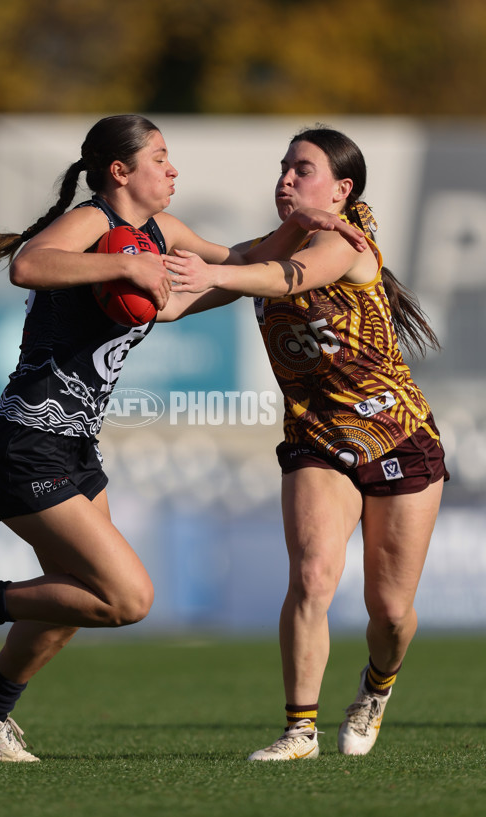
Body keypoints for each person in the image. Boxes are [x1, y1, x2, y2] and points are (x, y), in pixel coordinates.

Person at [0, 115, 364, 763]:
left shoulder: (165, 232)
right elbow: (28, 264)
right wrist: (121, 264)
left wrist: (303, 225)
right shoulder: (96, 221)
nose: (173, 169)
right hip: (23, 443)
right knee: (126, 597)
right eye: (159, 157)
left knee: (73, 598)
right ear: (120, 171)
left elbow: (238, 260)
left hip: (74, 447)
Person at [165, 125, 447, 760]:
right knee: (313, 576)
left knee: (390, 612)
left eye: (304, 170)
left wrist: (216, 269)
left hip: (397, 437)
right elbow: (175, 302)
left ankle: (376, 687)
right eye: (284, 167)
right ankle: (299, 731)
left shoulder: (344, 244)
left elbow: (286, 279)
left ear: (342, 190)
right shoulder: (265, 247)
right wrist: (129, 262)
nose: (287, 179)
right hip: (317, 436)